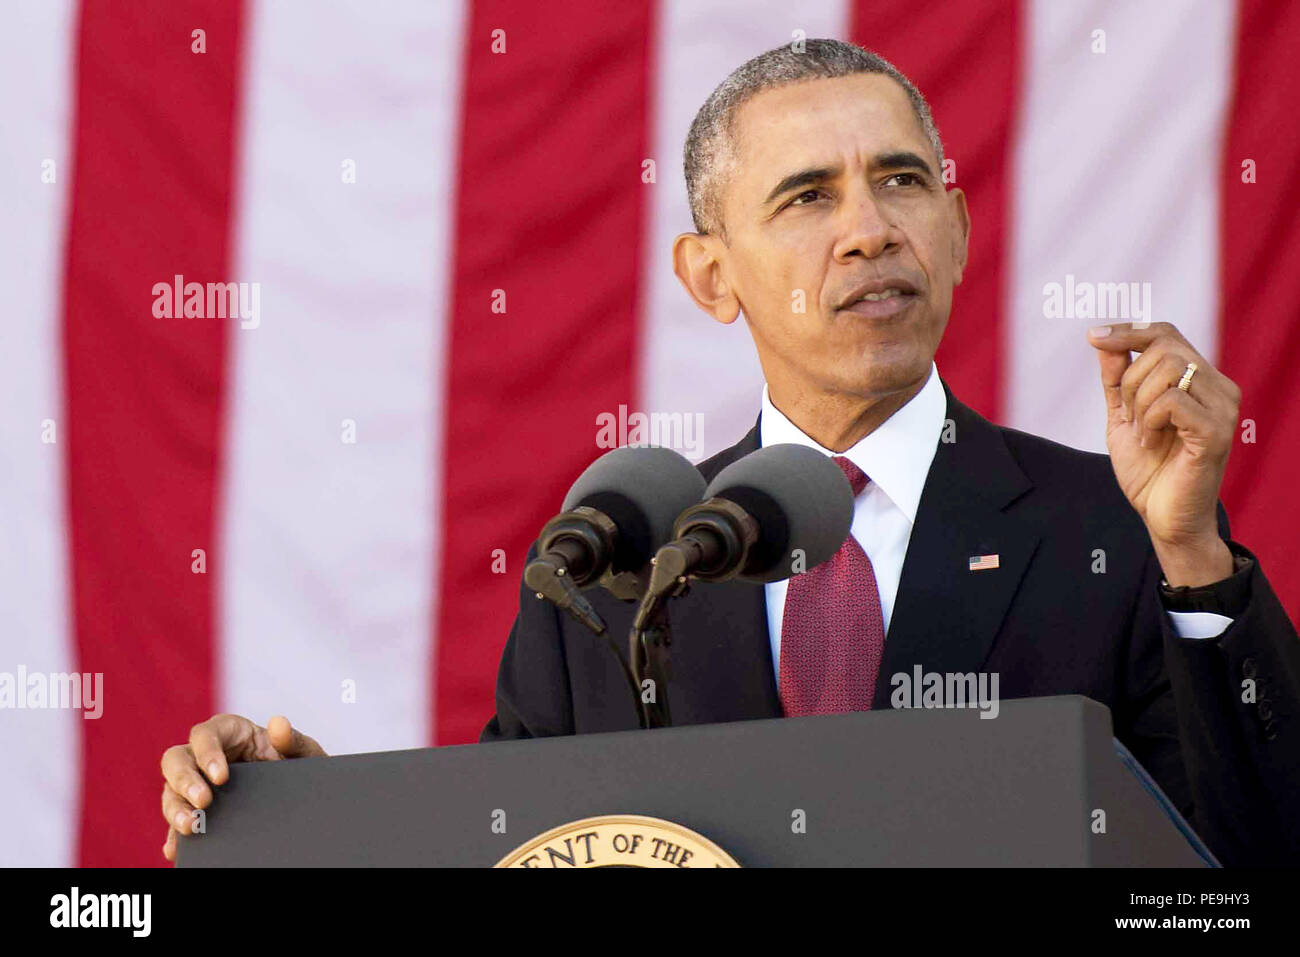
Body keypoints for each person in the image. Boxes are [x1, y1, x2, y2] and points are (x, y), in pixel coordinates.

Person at [160, 39, 1299, 866]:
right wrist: (306, 826)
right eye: (808, 196)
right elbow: (515, 852)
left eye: (901, 180)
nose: (868, 229)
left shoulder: (1114, 525)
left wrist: (1193, 555)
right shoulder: (616, 567)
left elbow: (1253, 855)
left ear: (955, 228)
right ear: (711, 276)